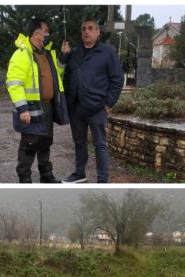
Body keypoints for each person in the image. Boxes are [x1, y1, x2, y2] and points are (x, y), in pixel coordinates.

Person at [60, 18, 124, 183]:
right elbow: (65, 76)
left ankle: (103, 180)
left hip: (97, 107)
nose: (86, 31)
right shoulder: (74, 53)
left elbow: (117, 79)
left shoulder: (107, 52)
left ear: (97, 32)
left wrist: (108, 104)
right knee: (79, 142)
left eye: (90, 28)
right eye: (83, 29)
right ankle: (79, 173)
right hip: (77, 107)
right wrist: (64, 56)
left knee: (100, 144)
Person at [6, 18, 70, 183]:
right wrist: (22, 108)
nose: (48, 34)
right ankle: (25, 180)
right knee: (29, 145)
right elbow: (14, 83)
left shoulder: (47, 54)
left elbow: (57, 75)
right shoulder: (22, 54)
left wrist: (63, 56)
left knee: (45, 142)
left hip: (47, 107)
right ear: (36, 34)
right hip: (31, 108)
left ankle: (46, 176)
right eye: (46, 31)